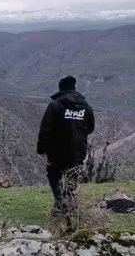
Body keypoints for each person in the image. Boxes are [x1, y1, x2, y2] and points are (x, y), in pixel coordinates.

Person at [37, 76, 95, 215]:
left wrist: (41, 148)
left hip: (56, 150)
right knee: (72, 176)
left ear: (61, 89)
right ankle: (69, 203)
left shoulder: (55, 105)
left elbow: (45, 129)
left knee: (54, 175)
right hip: (78, 150)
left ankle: (60, 202)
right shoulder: (86, 107)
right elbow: (90, 128)